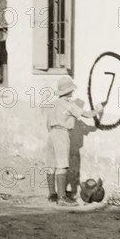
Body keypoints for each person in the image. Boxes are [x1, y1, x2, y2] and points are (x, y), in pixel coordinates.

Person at [45, 77, 103, 206]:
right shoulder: (68, 104)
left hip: (52, 134)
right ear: (69, 91)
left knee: (51, 166)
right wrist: (98, 111)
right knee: (62, 166)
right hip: (61, 134)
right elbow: (87, 115)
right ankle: (61, 198)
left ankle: (52, 194)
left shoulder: (53, 104)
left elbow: (47, 124)